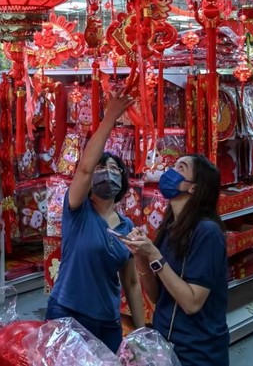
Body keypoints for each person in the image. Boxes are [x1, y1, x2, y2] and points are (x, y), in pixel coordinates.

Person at [46, 90, 145, 352]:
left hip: (108, 322)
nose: (107, 173)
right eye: (102, 168)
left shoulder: (127, 228)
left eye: (115, 170)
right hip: (67, 313)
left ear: (123, 183)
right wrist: (109, 118)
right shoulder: (78, 211)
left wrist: (142, 332)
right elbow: (86, 168)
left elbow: (132, 284)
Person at [125, 154, 229, 366]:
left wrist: (155, 255)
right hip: (166, 344)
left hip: (198, 350)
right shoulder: (171, 226)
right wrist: (142, 258)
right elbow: (157, 296)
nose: (169, 172)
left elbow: (192, 303)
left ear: (194, 188)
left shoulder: (207, 232)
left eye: (180, 168)